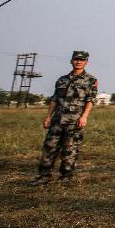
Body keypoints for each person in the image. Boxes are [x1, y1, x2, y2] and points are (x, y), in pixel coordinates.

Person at [31, 51, 97, 185]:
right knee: (49, 147)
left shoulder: (91, 80)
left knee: (70, 149)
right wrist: (48, 117)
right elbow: (54, 99)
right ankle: (44, 176)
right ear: (71, 61)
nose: (78, 62)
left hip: (74, 120)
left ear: (86, 62)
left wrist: (84, 117)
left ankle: (66, 177)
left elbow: (90, 100)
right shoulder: (62, 80)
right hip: (57, 119)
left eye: (81, 60)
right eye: (76, 59)